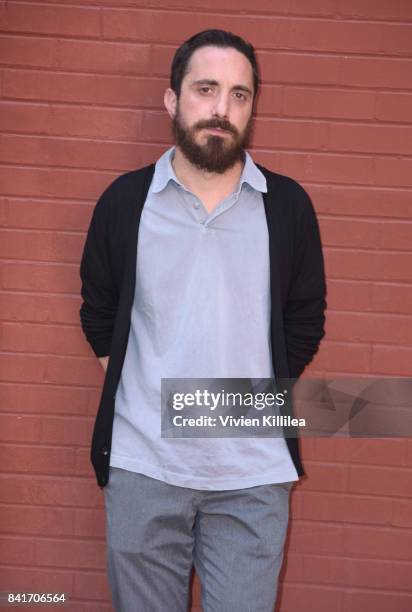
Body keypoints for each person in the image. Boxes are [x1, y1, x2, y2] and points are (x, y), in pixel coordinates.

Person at [79, 29, 326, 612]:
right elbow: (99, 309)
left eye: (240, 95)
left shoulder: (286, 207)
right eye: (206, 89)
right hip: (143, 467)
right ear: (172, 100)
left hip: (253, 476)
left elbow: (304, 320)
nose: (221, 109)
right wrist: (141, 393)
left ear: (253, 108)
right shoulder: (124, 202)